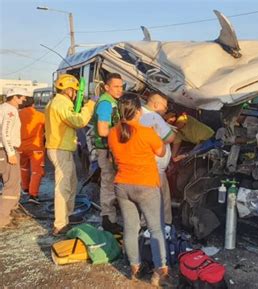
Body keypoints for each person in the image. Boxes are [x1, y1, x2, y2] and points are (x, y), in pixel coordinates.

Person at [108, 93, 173, 287]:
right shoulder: (146, 131)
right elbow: (161, 151)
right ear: (138, 110)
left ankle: (134, 267)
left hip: (122, 186)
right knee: (156, 229)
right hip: (146, 185)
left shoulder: (113, 132)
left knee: (130, 228)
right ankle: (159, 271)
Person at [45, 74, 96, 236]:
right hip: (61, 149)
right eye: (74, 91)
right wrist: (89, 106)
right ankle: (60, 224)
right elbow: (78, 121)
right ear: (68, 90)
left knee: (71, 183)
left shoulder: (57, 102)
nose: (75, 95)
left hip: (62, 148)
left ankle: (66, 216)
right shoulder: (61, 103)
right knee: (63, 186)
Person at [92, 73, 123, 233]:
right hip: (106, 149)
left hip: (110, 148)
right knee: (109, 183)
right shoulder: (105, 103)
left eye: (121, 86)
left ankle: (110, 216)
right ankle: (108, 220)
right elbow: (103, 130)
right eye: (116, 86)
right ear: (107, 87)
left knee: (111, 183)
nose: (120, 90)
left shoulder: (112, 101)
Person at [140, 92, 175, 225]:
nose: (166, 111)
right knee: (162, 202)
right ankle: (163, 231)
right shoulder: (154, 117)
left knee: (147, 202)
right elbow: (171, 137)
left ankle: (145, 230)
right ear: (155, 105)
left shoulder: (138, 114)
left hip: (144, 166)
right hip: (155, 167)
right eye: (165, 107)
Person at [0, 87, 27, 228]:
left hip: (4, 149)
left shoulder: (3, 108)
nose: (24, 99)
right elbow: (5, 133)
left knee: (12, 182)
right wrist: (11, 153)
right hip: (6, 150)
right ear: (14, 97)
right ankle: (3, 219)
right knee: (11, 184)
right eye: (22, 97)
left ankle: (10, 212)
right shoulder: (10, 110)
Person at [18, 93, 45, 205]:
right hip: (36, 148)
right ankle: (33, 195)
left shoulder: (17, 115)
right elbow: (47, 130)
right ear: (33, 104)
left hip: (20, 147)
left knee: (23, 168)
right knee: (36, 171)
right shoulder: (39, 115)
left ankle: (25, 189)